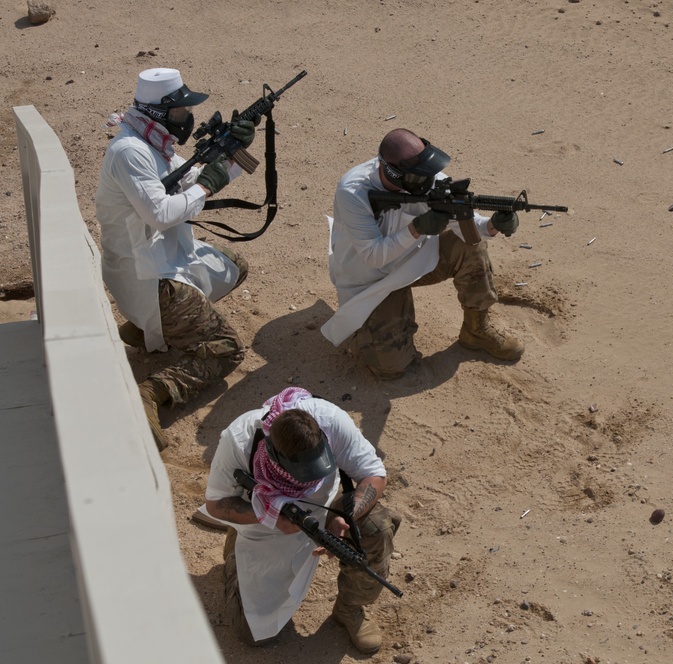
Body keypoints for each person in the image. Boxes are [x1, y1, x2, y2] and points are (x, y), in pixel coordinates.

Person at [94, 67, 256, 451]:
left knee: (235, 265)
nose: (187, 119)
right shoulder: (130, 152)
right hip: (149, 276)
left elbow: (198, 176)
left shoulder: (153, 143)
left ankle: (150, 330)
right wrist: (207, 183)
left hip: (160, 262)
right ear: (158, 112)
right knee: (228, 349)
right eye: (181, 113)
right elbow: (163, 213)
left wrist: (233, 152)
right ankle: (151, 392)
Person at [204, 387, 400, 653]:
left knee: (375, 526)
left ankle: (349, 609)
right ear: (273, 454)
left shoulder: (331, 420)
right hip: (267, 521)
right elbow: (216, 504)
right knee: (253, 634)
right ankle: (235, 555)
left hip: (326, 505)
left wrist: (346, 518)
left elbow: (374, 474)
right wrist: (269, 517)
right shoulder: (239, 440)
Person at [322, 128, 524, 380]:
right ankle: (362, 334)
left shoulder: (427, 177)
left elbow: (471, 225)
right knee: (390, 367)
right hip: (369, 279)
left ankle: (475, 329)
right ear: (397, 175)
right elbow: (373, 256)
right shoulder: (353, 192)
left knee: (470, 244)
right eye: (421, 176)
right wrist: (416, 228)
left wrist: (494, 224)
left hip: (415, 260)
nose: (431, 180)